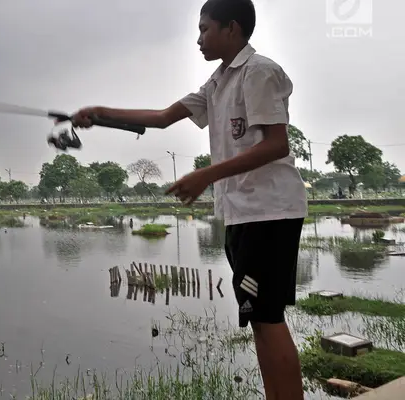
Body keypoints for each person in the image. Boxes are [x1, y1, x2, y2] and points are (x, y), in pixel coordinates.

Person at [65, 0, 306, 398]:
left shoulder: (259, 72)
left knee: (268, 317)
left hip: (270, 211)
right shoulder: (217, 84)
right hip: (242, 214)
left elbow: (277, 145)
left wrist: (205, 175)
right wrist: (99, 112)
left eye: (205, 29)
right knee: (259, 319)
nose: (198, 39)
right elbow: (162, 117)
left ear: (232, 28)